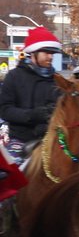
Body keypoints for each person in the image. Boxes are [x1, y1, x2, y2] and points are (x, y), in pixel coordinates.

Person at [0, 27, 62, 164]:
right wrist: (33, 115)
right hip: (20, 141)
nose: (50, 57)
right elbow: (5, 110)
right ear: (33, 53)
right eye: (46, 53)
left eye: (52, 53)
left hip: (51, 140)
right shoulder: (14, 77)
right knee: (10, 175)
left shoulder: (57, 80)